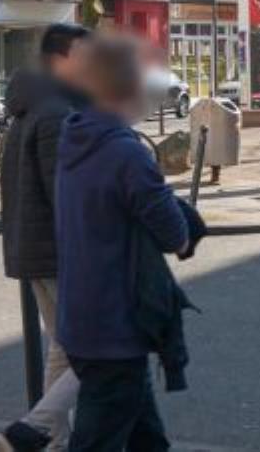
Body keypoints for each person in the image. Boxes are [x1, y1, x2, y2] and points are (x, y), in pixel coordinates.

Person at [55, 35, 201, 452]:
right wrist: (184, 226)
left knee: (146, 437)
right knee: (97, 440)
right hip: (115, 326)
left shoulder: (74, 137)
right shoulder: (126, 153)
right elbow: (175, 233)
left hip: (82, 315)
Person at [0, 24, 90, 452]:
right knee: (99, 349)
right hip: (58, 253)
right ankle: (33, 429)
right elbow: (64, 194)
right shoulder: (55, 112)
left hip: (35, 249)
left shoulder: (34, 107)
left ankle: (53, 440)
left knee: (64, 347)